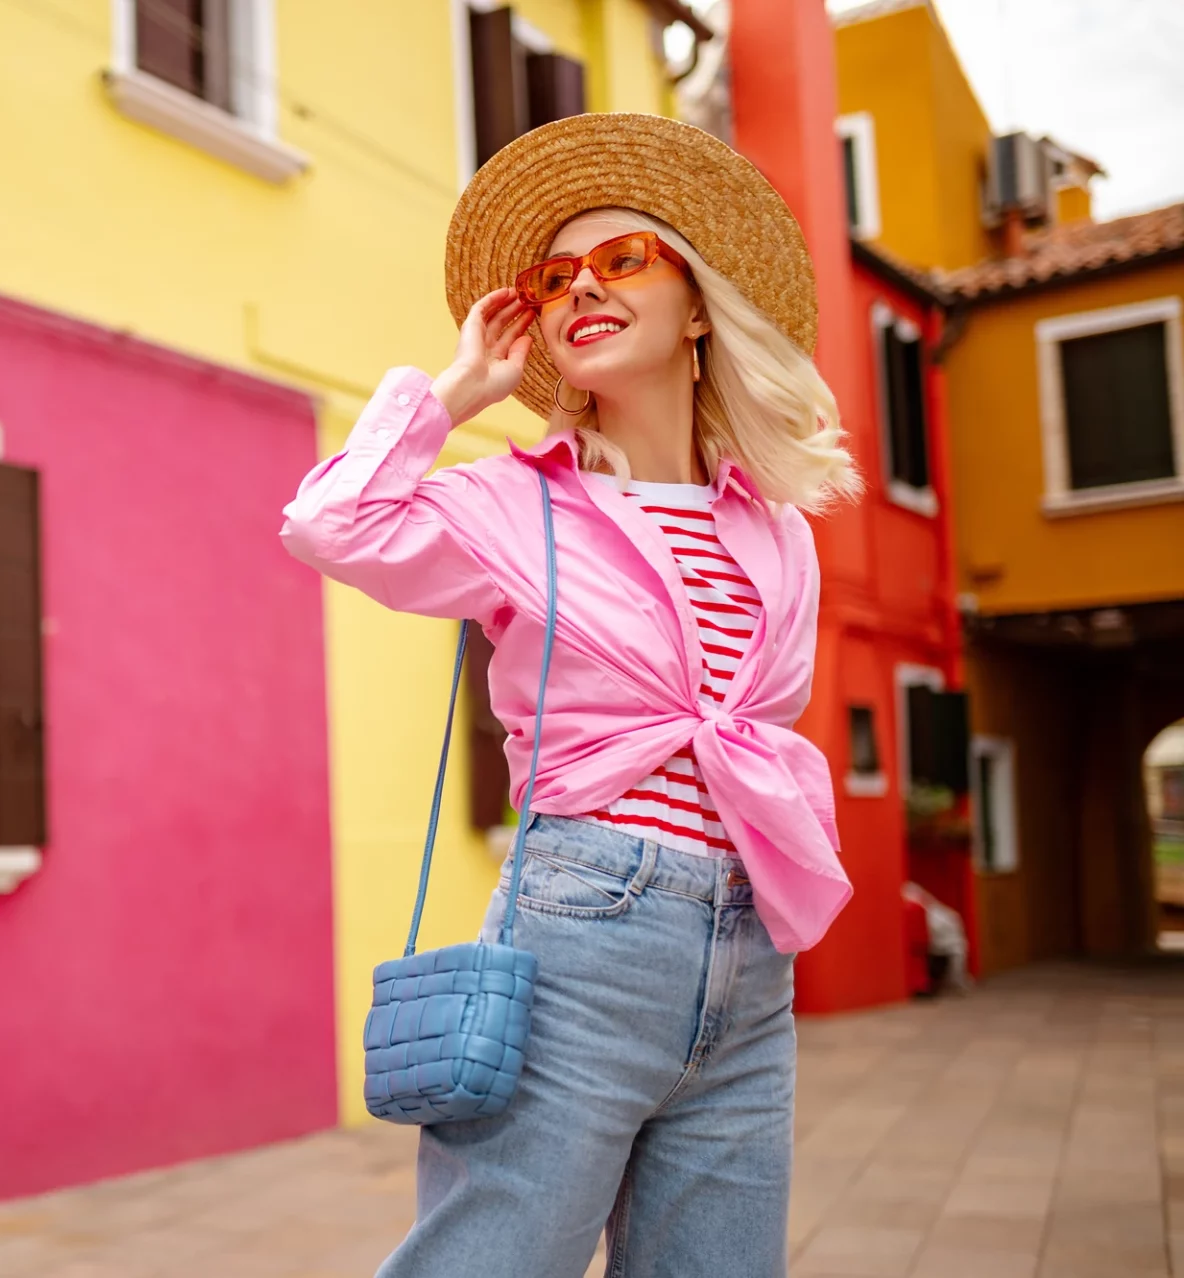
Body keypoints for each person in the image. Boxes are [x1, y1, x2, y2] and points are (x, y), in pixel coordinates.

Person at [280, 114, 862, 1277]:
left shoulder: (778, 530)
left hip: (749, 962)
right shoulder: (514, 504)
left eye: (621, 259)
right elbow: (330, 525)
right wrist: (450, 394)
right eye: (555, 278)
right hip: (585, 932)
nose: (581, 288)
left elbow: (762, 730)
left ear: (699, 305)